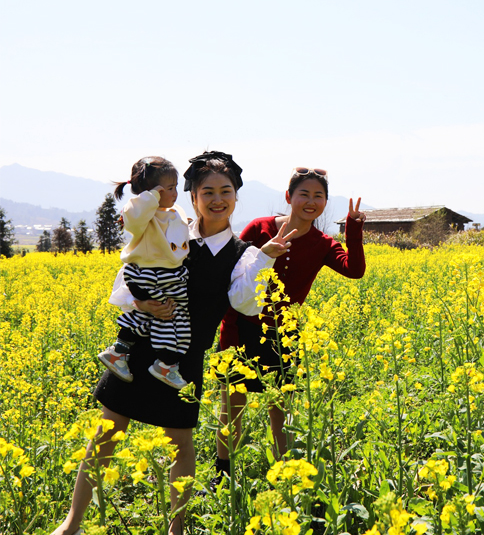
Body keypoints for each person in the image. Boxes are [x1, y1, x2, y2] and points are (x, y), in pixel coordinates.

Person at [51, 152, 294, 535]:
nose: (217, 199)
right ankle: (71, 523)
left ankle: (175, 529)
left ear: (236, 196)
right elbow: (126, 279)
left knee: (180, 443)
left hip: (183, 359)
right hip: (139, 350)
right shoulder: (166, 228)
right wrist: (141, 302)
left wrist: (264, 258)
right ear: (192, 196)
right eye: (207, 191)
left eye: (226, 191)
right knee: (107, 433)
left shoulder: (242, 254)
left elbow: (243, 302)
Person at [214, 167, 366, 478]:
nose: (311, 201)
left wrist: (353, 227)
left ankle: (286, 475)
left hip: (283, 333)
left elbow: (354, 269)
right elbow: (231, 271)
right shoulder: (260, 228)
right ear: (289, 197)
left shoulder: (323, 243)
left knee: (280, 409)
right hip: (240, 325)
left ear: (325, 203)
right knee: (233, 405)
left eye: (318, 196)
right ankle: (223, 473)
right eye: (304, 194)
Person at [98, 156, 193, 389]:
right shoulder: (141, 213)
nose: (175, 193)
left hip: (168, 277)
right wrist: (150, 197)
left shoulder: (173, 210)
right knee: (174, 317)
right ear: (151, 194)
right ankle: (165, 364)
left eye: (175, 187)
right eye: (169, 188)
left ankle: (119, 353)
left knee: (152, 316)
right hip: (149, 275)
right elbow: (132, 218)